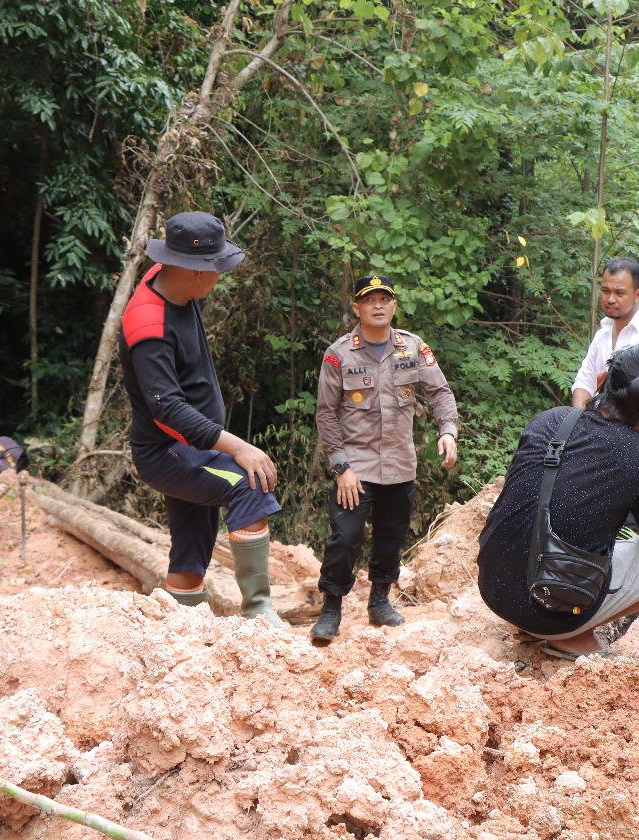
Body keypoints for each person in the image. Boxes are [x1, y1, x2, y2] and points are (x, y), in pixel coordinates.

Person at [477, 345, 639, 658]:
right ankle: (572, 633)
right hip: (550, 608)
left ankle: (548, 621)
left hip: (493, 587)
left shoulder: (550, 420)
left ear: (601, 380)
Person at [117, 211, 285, 627]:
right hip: (170, 450)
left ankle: (179, 628)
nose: (220, 277)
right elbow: (167, 409)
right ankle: (260, 613)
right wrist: (237, 446)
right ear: (193, 271)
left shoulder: (173, 280)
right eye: (216, 269)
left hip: (193, 448)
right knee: (249, 484)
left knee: (192, 549)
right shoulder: (148, 325)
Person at [310, 274, 460, 644]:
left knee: (391, 537)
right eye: (369, 299)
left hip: (399, 465)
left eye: (385, 299)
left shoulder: (413, 348)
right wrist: (340, 466)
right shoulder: (339, 353)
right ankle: (331, 607)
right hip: (355, 467)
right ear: (357, 307)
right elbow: (326, 414)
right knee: (345, 537)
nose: (378, 305)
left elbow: (440, 392)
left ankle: (380, 601)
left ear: (394, 305)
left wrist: (448, 430)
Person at [570, 257, 639, 452]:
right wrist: (579, 427)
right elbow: (584, 383)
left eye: (619, 293)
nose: (610, 299)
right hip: (599, 440)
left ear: (638, 295)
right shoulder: (603, 333)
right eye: (605, 291)